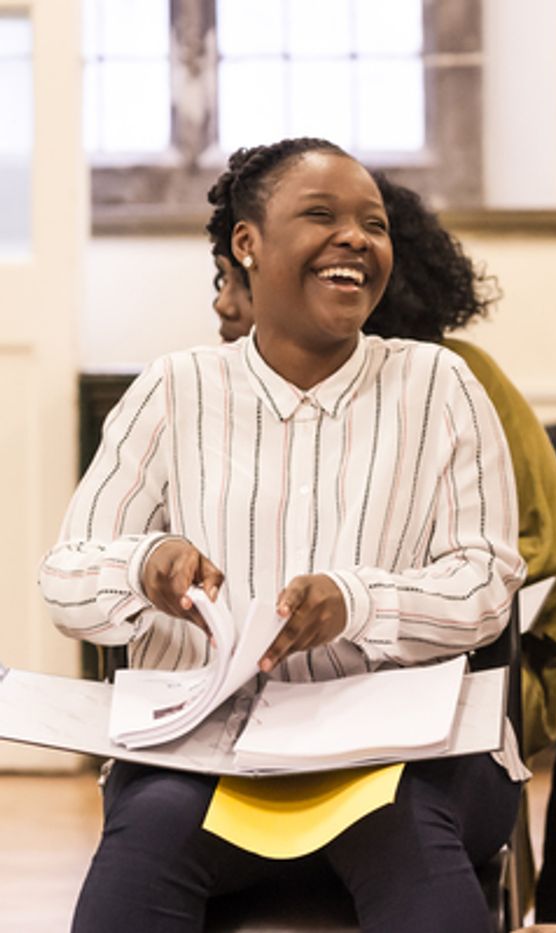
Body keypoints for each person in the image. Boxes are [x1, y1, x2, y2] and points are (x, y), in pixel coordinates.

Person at [40, 137, 528, 932]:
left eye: (373, 224)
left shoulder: (438, 385)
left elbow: (484, 583)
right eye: (321, 216)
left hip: (400, 757)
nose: (356, 239)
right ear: (248, 244)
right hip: (202, 757)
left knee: (403, 831)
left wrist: (354, 602)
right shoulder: (176, 389)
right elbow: (66, 575)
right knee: (152, 832)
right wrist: (146, 566)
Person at [207, 173, 556, 758]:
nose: (224, 305)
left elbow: (543, 562)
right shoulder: (229, 391)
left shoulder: (454, 378)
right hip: (309, 674)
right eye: (224, 279)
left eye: (235, 284)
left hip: (466, 665)